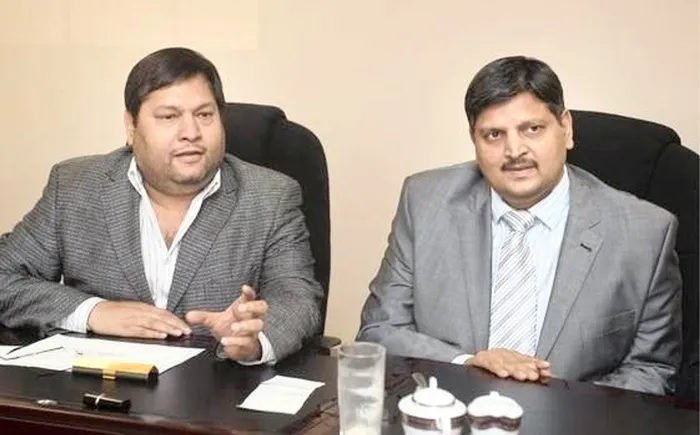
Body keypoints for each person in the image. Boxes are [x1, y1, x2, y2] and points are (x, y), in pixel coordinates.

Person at [357, 56, 682, 395]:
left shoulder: (645, 234)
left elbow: (652, 370)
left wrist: (562, 409)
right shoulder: (425, 202)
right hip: (448, 411)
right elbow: (378, 331)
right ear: (474, 139)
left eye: (532, 129)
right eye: (494, 134)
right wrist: (466, 363)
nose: (514, 150)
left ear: (566, 128)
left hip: (573, 418)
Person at [0, 47, 323, 365]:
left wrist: (254, 340)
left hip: (215, 386)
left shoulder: (270, 196)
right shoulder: (75, 186)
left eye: (204, 115)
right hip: (98, 386)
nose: (191, 133)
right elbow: (5, 274)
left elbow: (297, 296)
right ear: (131, 127)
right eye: (169, 117)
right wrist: (92, 311)